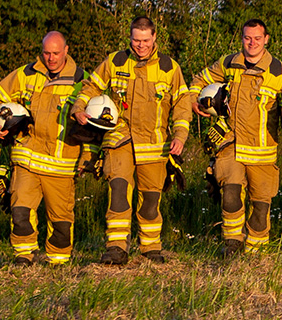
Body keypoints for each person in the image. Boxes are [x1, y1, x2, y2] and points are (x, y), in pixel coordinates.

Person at [74, 16, 193, 265]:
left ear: (154, 38)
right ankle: (116, 248)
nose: (141, 46)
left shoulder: (170, 68)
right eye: (136, 40)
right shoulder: (115, 61)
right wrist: (79, 108)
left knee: (150, 199)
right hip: (120, 139)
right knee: (118, 191)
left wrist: (180, 136)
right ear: (129, 37)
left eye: (146, 41)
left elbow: (183, 105)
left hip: (154, 144)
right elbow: (91, 86)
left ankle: (150, 247)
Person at [189, 19, 282, 257]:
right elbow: (200, 79)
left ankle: (256, 253)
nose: (252, 43)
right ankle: (232, 244)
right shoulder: (229, 63)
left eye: (257, 38)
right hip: (231, 144)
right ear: (242, 39)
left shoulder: (279, 71)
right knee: (230, 195)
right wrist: (194, 99)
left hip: (263, 151)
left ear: (266, 39)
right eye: (247, 38)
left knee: (260, 206)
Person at [0, 31, 86, 266]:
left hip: (61, 166)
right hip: (26, 159)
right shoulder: (24, 74)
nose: (51, 58)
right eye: (46, 53)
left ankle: (58, 262)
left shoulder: (81, 80)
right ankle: (23, 256)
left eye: (56, 53)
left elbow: (93, 124)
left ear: (66, 51)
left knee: (61, 222)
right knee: (20, 212)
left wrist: (88, 157)